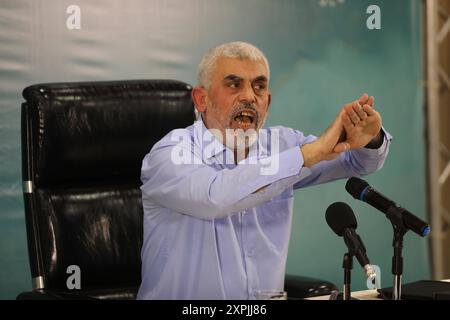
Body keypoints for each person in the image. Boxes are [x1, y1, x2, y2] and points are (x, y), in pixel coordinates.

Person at [137, 41, 391, 300]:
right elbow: (216, 197)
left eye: (258, 86)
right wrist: (306, 156)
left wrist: (368, 139)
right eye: (234, 84)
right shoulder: (170, 153)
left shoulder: (283, 145)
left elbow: (357, 162)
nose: (249, 96)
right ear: (202, 99)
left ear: (267, 103)